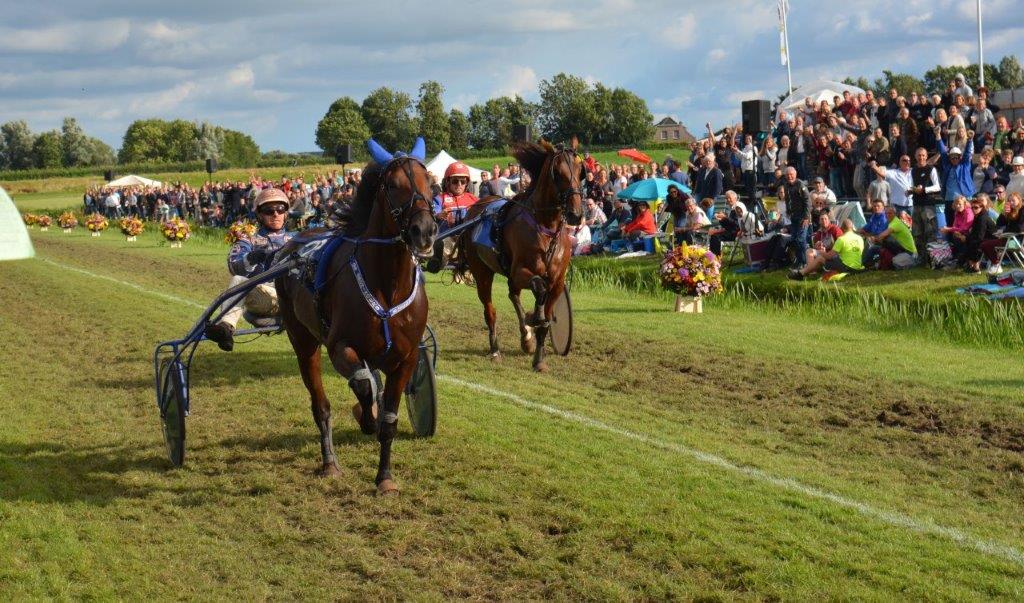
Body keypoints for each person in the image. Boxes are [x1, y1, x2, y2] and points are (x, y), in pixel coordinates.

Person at [204, 188, 296, 351]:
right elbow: (233, 266)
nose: (275, 214)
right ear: (260, 215)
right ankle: (226, 328)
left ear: (286, 213)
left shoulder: (298, 239)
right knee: (238, 280)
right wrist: (252, 257)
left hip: (297, 297)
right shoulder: (249, 241)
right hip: (266, 297)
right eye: (269, 210)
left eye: (280, 209)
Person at [426, 162, 478, 273]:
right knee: (444, 243)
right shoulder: (440, 198)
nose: (459, 184)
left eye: (462, 181)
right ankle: (438, 261)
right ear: (448, 182)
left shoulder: (474, 199)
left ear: (466, 183)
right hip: (448, 237)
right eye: (455, 181)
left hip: (468, 238)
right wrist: (439, 215)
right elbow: (433, 213)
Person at [789, 218, 863, 279]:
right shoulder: (860, 238)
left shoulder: (841, 238)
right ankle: (809, 272)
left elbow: (829, 256)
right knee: (816, 255)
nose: (824, 221)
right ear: (852, 227)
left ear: (842, 228)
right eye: (821, 219)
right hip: (857, 267)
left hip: (846, 267)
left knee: (820, 258)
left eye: (825, 219)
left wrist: (820, 252)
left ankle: (801, 273)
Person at [982, 191, 1024, 274]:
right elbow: (999, 224)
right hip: (1007, 237)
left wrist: (1004, 232)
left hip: (1016, 240)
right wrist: (1004, 213)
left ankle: (996, 264)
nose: (1011, 203)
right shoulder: (1011, 211)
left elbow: (1020, 228)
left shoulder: (1022, 210)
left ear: (1019, 200)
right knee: (984, 242)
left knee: (985, 245)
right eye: (1009, 201)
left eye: (1013, 200)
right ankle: (995, 264)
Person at [708, 190, 759, 256]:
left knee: (716, 237)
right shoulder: (732, 207)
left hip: (739, 232)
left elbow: (737, 224)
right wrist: (721, 219)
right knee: (714, 235)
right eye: (726, 198)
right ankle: (714, 257)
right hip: (732, 231)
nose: (728, 200)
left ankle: (716, 257)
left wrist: (725, 218)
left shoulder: (738, 206)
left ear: (735, 198)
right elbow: (729, 225)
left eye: (729, 198)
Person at [782, 167, 811, 267]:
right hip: (793, 216)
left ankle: (805, 262)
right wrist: (788, 210)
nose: (789, 176)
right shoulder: (786, 185)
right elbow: (787, 199)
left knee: (801, 239)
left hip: (803, 216)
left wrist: (807, 217)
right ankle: (799, 261)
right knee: (794, 239)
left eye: (791, 174)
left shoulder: (800, 185)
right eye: (787, 175)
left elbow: (808, 201)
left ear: (795, 174)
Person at [960, 197, 997, 272]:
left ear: (982, 208)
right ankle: (971, 265)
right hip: (984, 237)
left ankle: (975, 266)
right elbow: (974, 232)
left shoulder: (982, 218)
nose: (973, 209)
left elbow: (980, 235)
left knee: (974, 243)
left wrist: (968, 238)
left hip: (992, 238)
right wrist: (966, 237)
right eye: (972, 207)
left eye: (976, 207)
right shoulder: (977, 217)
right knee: (969, 241)